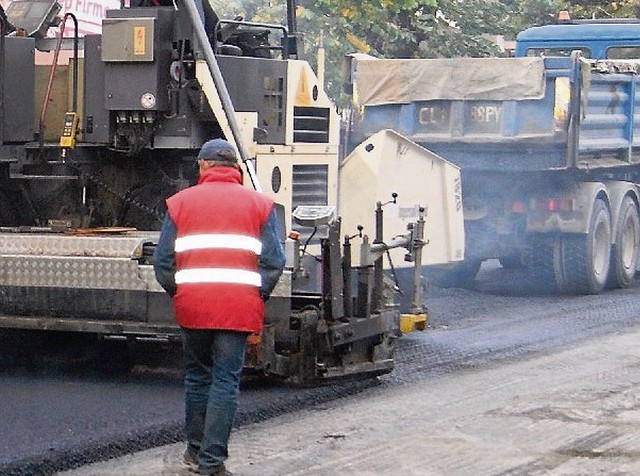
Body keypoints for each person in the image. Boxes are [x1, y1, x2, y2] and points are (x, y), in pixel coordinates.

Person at [153, 138, 286, 476]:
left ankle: (195, 452)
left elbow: (163, 262)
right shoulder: (260, 205)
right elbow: (274, 261)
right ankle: (211, 462)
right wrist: (257, 294)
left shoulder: (179, 203)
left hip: (193, 306)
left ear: (203, 167)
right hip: (237, 308)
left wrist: (180, 293)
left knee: (198, 377)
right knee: (225, 380)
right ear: (236, 170)